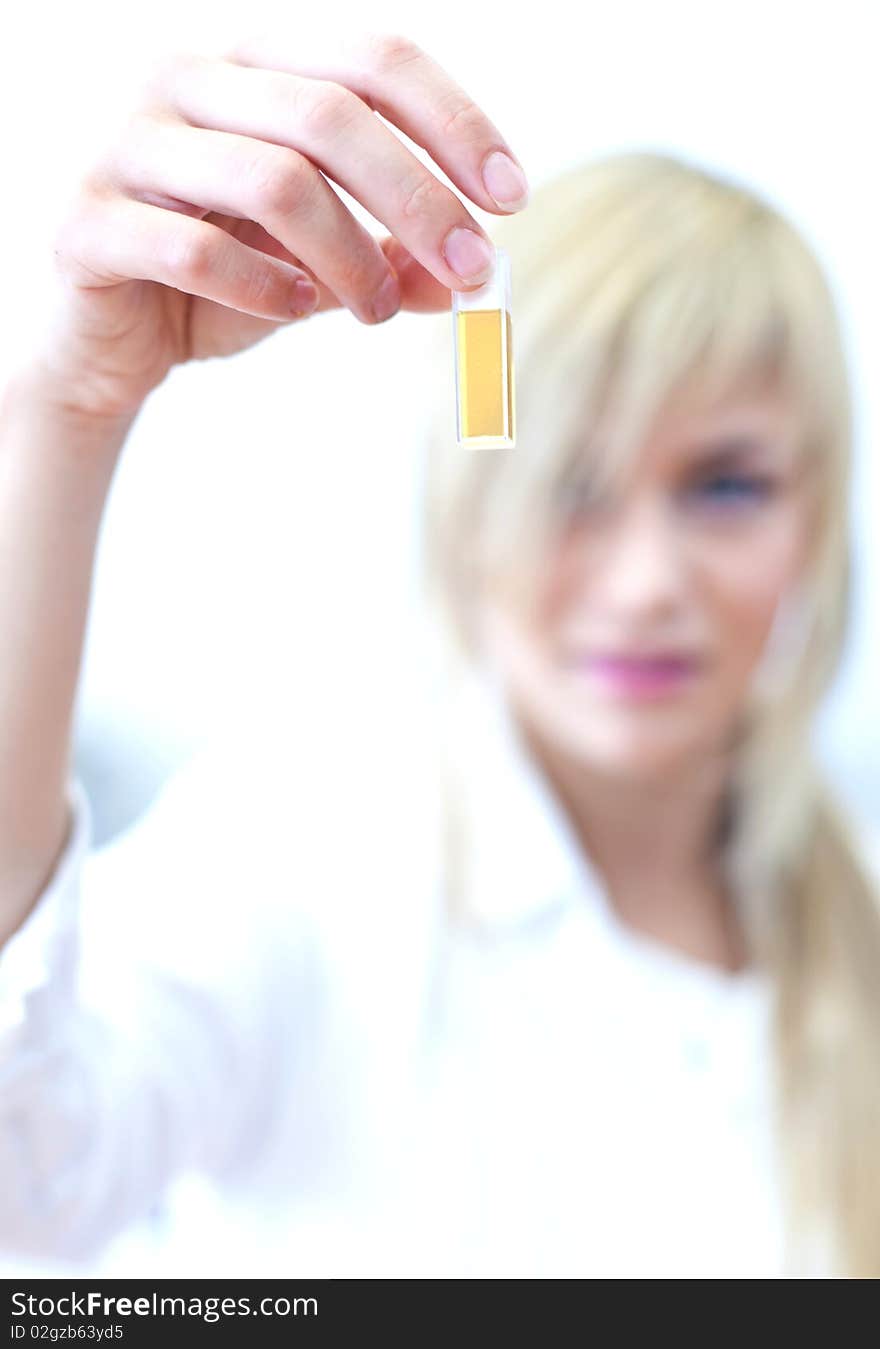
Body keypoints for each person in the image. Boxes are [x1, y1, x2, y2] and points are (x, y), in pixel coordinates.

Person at [0, 30, 877, 1280]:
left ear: (818, 506)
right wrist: (64, 409)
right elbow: (26, 1175)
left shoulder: (851, 921)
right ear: (468, 498)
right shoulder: (312, 849)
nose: (644, 586)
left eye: (725, 485)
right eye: (567, 481)